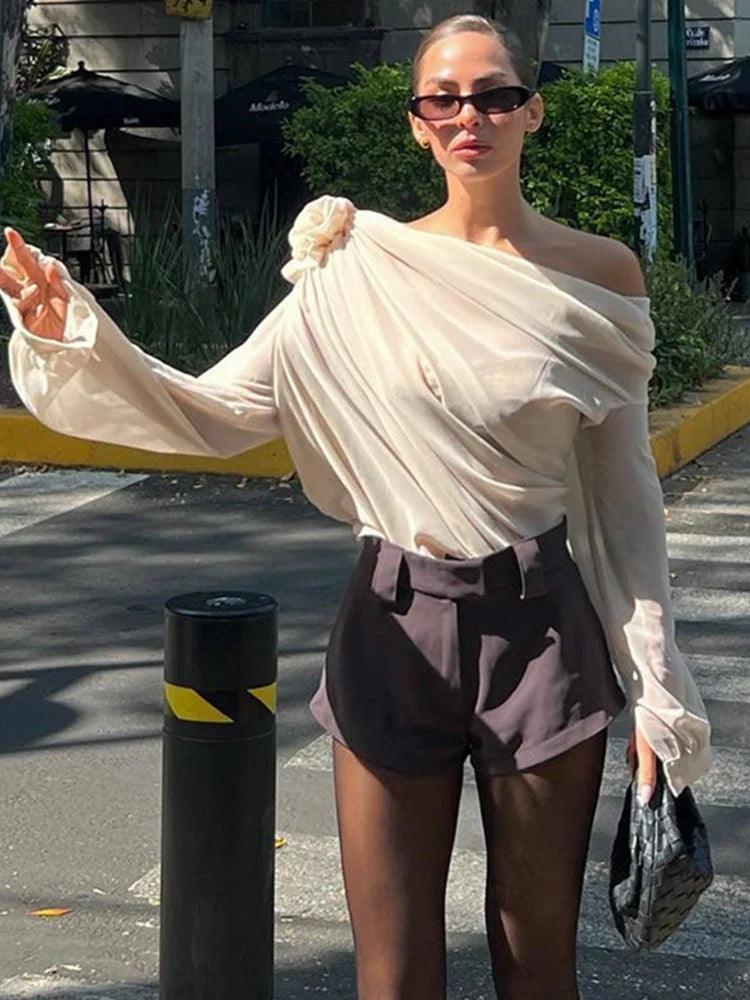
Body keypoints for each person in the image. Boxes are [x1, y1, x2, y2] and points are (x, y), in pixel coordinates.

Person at [0, 14, 711, 1000]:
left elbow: (625, 500)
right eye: (444, 99)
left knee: (538, 963)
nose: (470, 116)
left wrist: (658, 686)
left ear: (533, 111)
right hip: (392, 625)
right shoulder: (355, 270)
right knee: (394, 973)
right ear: (418, 122)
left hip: (543, 631)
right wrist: (78, 334)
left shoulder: (598, 275)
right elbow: (218, 412)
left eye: (495, 94)